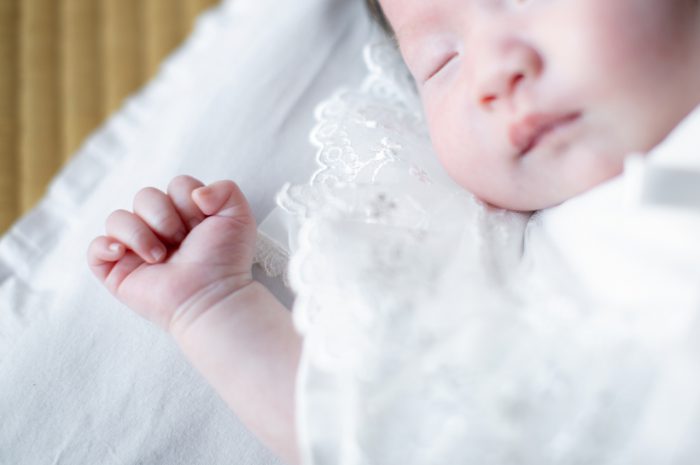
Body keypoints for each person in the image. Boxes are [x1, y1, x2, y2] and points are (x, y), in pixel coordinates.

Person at [86, 0, 700, 463]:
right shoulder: (504, 271)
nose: (491, 72)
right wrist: (209, 305)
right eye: (442, 61)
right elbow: (376, 433)